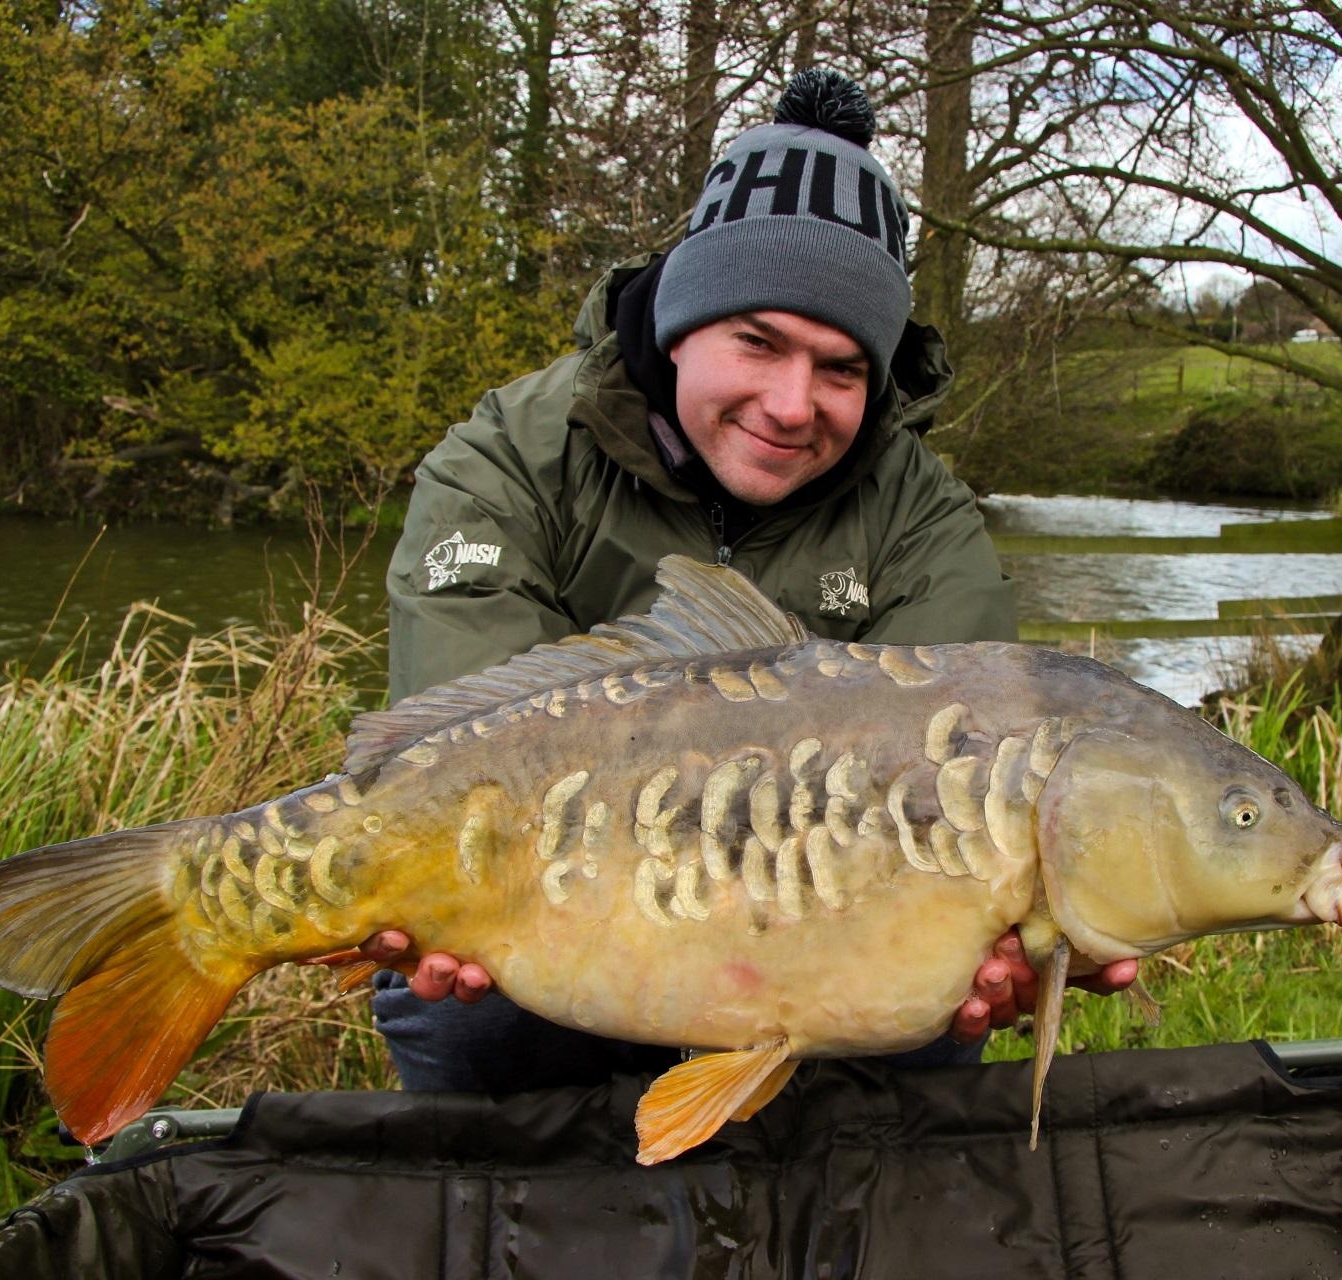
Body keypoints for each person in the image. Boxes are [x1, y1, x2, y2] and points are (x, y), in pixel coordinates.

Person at [358, 69, 1136, 1094]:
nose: (790, 402)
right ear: (683, 323)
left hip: (817, 930)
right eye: (757, 343)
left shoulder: (925, 520)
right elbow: (453, 762)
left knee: (941, 998)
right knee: (467, 1014)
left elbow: (974, 780)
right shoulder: (506, 458)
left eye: (841, 368)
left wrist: (1021, 938)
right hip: (547, 907)